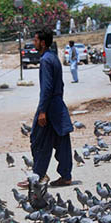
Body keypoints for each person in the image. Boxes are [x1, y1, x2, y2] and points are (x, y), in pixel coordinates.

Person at [18, 28, 73, 188]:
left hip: (49, 106)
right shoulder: (53, 58)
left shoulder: (45, 60)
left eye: (35, 40)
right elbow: (59, 85)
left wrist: (42, 111)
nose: (33, 43)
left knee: (38, 140)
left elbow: (47, 88)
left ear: (42, 42)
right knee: (61, 141)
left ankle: (38, 177)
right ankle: (65, 176)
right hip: (57, 104)